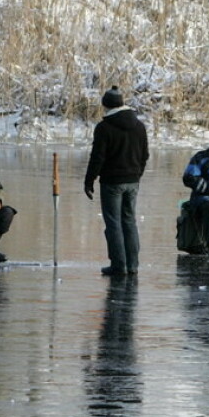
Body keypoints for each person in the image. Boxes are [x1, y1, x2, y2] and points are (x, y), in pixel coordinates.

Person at [84, 85, 149, 276]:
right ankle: (133, 265)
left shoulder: (104, 127)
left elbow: (98, 157)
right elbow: (145, 155)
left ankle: (119, 266)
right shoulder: (139, 126)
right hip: (133, 181)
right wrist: (137, 174)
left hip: (112, 182)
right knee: (129, 221)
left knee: (113, 223)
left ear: (106, 106)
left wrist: (89, 180)